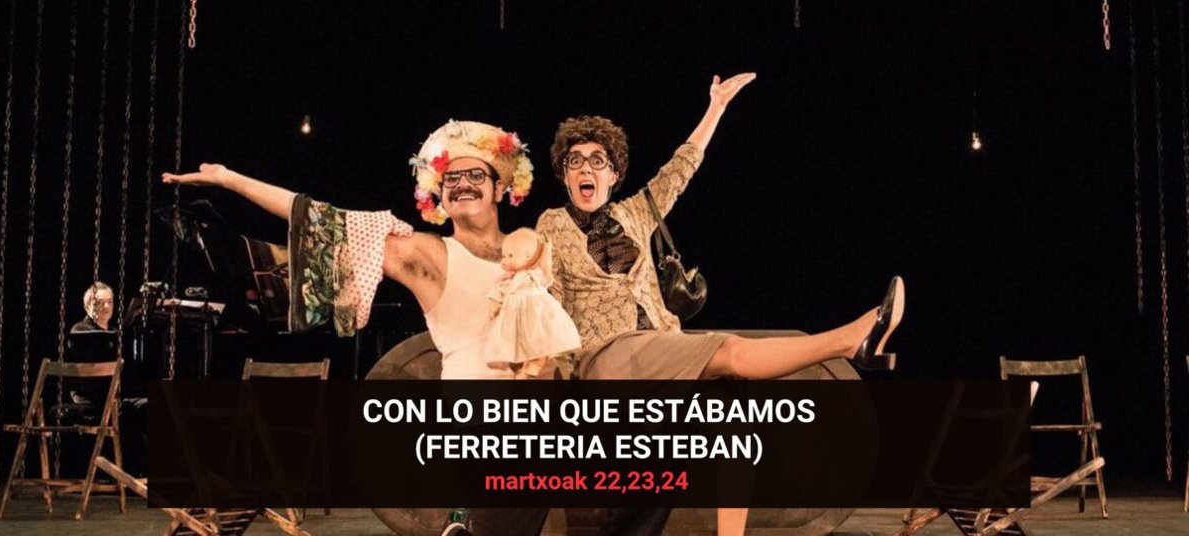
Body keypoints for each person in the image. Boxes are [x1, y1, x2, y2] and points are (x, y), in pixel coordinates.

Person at [163, 118, 904, 534]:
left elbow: (564, 284)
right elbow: (322, 218)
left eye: (474, 177)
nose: (461, 186)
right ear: (436, 196)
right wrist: (230, 181)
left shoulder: (538, 242)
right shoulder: (430, 255)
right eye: (449, 180)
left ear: (499, 189)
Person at [535, 73, 897, 535]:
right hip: (605, 357)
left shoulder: (634, 212)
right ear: (564, 175)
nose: (585, 169)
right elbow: (548, 302)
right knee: (729, 350)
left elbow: (682, 166)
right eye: (574, 162)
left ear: (613, 174)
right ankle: (848, 341)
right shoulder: (552, 224)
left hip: (659, 349)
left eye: (597, 161)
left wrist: (716, 107)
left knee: (734, 415)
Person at [485, 228, 581, 378]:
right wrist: (495, 305)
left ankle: (536, 365)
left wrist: (546, 251)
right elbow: (498, 292)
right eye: (504, 256)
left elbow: (546, 269)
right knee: (515, 346)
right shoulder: (507, 279)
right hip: (514, 321)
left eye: (510, 255)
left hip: (534, 316)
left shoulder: (534, 276)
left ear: (527, 257)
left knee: (539, 343)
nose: (505, 260)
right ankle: (521, 370)